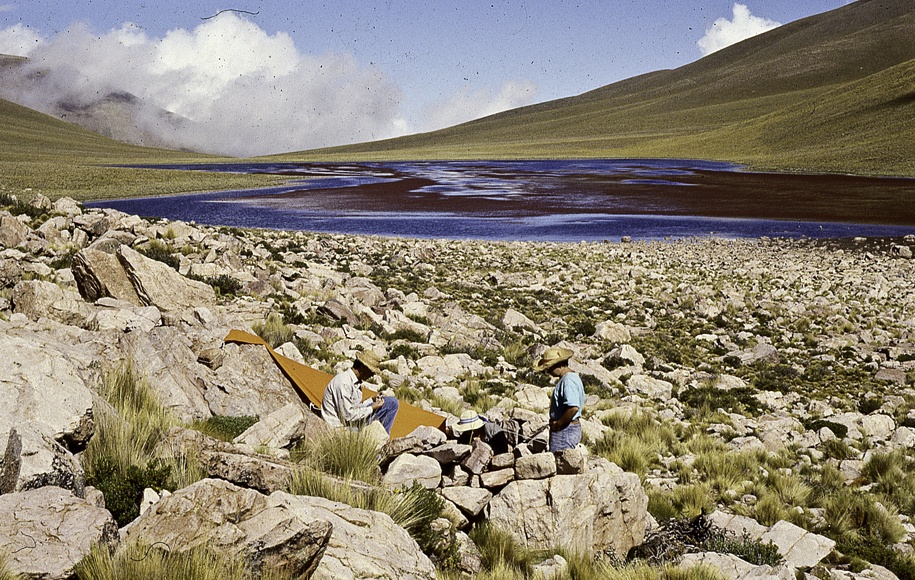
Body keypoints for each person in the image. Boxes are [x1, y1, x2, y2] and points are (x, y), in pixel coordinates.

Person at [321, 351, 399, 434]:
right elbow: (348, 416)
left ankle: (383, 437)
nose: (372, 375)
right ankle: (384, 439)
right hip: (340, 428)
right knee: (392, 403)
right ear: (363, 367)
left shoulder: (354, 382)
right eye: (371, 371)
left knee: (391, 402)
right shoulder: (344, 382)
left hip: (349, 423)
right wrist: (372, 408)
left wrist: (372, 400)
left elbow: (355, 408)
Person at [534, 347, 585, 452]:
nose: (548, 371)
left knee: (559, 462)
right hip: (568, 429)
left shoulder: (568, 381)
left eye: (549, 368)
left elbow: (573, 408)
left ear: (560, 365)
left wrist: (558, 424)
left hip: (565, 430)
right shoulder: (572, 377)